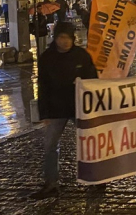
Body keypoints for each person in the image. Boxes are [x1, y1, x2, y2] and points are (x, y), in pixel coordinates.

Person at [31, 22, 98, 199]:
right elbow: (43, 86)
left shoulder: (81, 56)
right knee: (50, 146)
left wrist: (84, 83)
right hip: (56, 108)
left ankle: (95, 179)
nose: (65, 42)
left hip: (79, 107)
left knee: (88, 142)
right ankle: (51, 183)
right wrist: (44, 113)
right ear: (56, 38)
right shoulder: (47, 58)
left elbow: (93, 78)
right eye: (62, 38)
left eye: (68, 38)